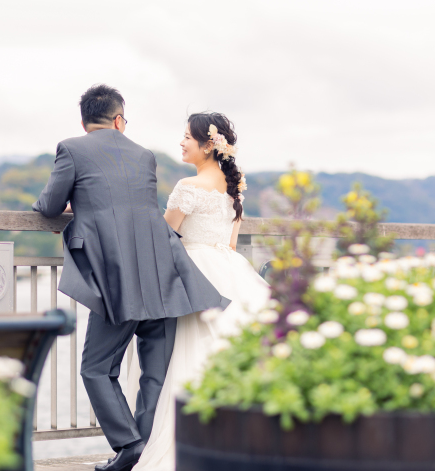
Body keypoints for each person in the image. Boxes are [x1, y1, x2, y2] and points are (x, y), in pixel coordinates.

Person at [33, 85, 230, 471]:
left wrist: (72, 202)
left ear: (85, 120)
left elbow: (49, 206)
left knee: (96, 368)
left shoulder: (71, 148)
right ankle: (143, 452)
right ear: (120, 119)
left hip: (115, 278)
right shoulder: (144, 155)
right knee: (154, 374)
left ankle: (128, 446)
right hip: (164, 274)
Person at [129, 112, 271, 471]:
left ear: (208, 145)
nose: (181, 142)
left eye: (187, 137)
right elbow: (232, 243)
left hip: (193, 273)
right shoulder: (234, 186)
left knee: (188, 357)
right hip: (230, 270)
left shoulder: (188, 186)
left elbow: (163, 239)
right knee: (224, 351)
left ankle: (187, 442)